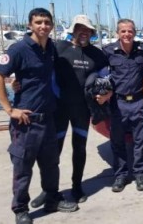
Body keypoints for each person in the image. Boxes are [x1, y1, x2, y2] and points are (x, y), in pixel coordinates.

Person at [0, 8, 78, 224]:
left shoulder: (49, 48)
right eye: (38, 22)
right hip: (25, 121)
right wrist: (10, 110)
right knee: (23, 169)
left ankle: (52, 199)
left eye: (47, 22)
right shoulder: (19, 49)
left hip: (47, 118)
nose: (43, 26)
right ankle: (20, 209)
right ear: (30, 24)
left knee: (51, 165)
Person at [29, 15, 110, 207]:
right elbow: (37, 66)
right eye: (79, 28)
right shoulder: (58, 48)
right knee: (53, 152)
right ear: (73, 30)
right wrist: (19, 82)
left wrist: (106, 94)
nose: (84, 32)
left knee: (79, 149)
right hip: (59, 109)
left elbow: (107, 77)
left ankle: (76, 187)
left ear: (91, 32)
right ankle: (49, 191)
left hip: (82, 110)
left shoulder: (97, 54)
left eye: (87, 29)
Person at [102, 19, 143, 193]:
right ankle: (121, 175)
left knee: (140, 141)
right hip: (118, 102)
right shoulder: (108, 51)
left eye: (130, 31)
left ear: (135, 33)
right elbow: (98, 70)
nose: (127, 34)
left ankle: (139, 174)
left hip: (138, 102)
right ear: (117, 33)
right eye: (123, 31)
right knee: (117, 141)